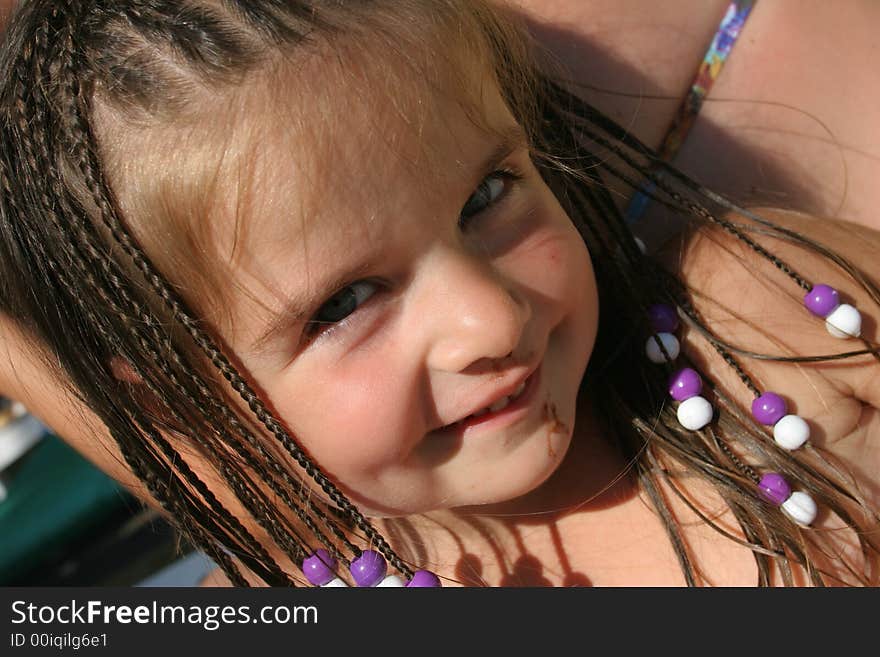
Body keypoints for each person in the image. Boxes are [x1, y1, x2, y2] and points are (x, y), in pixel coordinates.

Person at [0, 0, 877, 587]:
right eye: (345, 302)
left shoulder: (766, 322)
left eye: (486, 196)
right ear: (183, 397)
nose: (491, 317)